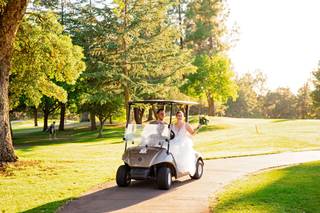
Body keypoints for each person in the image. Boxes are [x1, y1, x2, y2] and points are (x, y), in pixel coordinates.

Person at [170, 111, 201, 175]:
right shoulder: (172, 125)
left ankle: (180, 169)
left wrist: (198, 127)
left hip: (183, 142)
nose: (179, 117)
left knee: (179, 148)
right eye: (178, 115)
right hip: (174, 141)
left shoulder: (186, 125)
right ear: (176, 116)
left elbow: (192, 133)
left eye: (181, 115)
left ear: (183, 117)